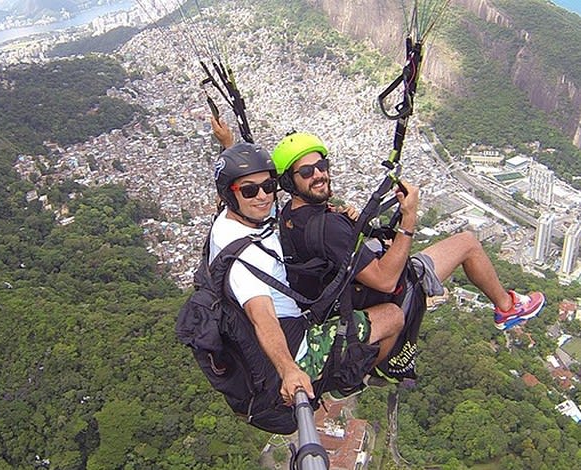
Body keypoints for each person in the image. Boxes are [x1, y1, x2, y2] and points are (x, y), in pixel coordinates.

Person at [269, 131, 546, 333]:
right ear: (289, 182)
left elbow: (330, 249)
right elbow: (386, 281)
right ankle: (507, 308)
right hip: (376, 296)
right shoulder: (328, 227)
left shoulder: (289, 216)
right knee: (467, 243)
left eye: (322, 166)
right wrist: (409, 218)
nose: (319, 174)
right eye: (307, 172)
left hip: (335, 297)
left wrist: (347, 223)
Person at [208, 132, 405, 406]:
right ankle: (351, 381)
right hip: (297, 346)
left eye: (268, 186)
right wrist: (289, 369)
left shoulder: (232, 222)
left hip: (288, 321)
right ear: (232, 195)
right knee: (393, 316)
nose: (263, 197)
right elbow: (261, 317)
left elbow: (235, 189)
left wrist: (230, 148)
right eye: (251, 190)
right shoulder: (246, 259)